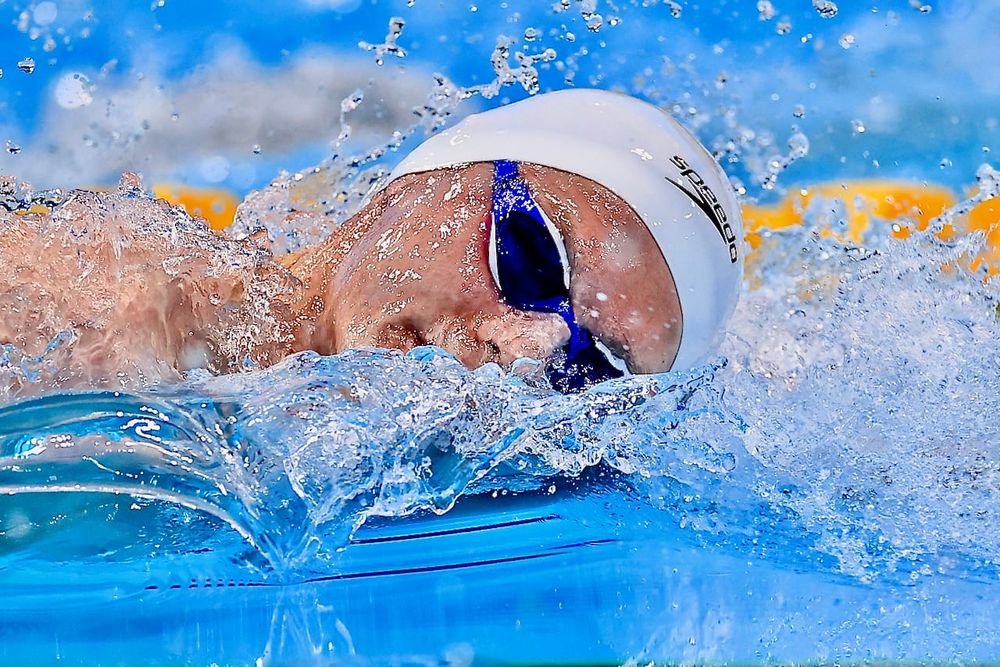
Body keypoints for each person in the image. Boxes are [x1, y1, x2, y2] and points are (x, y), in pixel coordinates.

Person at [0, 89, 743, 395]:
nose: (523, 349)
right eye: (530, 255)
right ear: (424, 177)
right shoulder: (90, 314)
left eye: (588, 366)